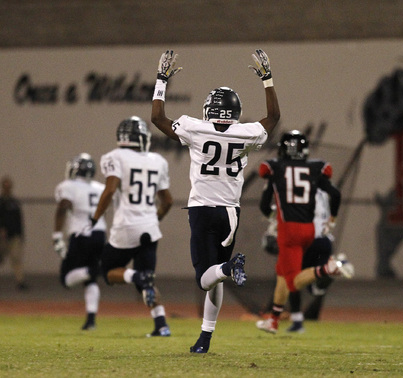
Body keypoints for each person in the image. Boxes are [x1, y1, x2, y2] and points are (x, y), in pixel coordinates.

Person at [150, 49, 281, 353]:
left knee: (207, 277)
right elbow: (273, 118)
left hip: (201, 209)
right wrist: (267, 79)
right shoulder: (246, 133)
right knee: (216, 276)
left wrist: (161, 80)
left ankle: (227, 269)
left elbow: (157, 118)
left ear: (210, 109)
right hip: (230, 214)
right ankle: (205, 339)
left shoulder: (195, 127)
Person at [255, 130, 354, 334]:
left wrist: (273, 216)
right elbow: (335, 193)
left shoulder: (275, 168)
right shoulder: (315, 168)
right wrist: (333, 217)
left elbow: (264, 206)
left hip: (289, 230)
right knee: (282, 274)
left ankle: (331, 268)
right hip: (308, 229)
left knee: (293, 281)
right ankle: (273, 320)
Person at [91, 116, 174, 337]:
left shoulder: (115, 156)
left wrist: (95, 217)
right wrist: (154, 218)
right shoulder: (158, 161)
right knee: (148, 280)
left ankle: (136, 277)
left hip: (126, 226)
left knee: (109, 272)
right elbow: (168, 201)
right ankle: (162, 325)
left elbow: (109, 191)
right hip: (150, 228)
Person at [261, 189, 338, 331]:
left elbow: (288, 207)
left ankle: (281, 319)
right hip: (324, 240)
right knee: (301, 280)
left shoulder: (297, 186)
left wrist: (274, 220)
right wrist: (332, 218)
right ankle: (293, 318)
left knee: (290, 278)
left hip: (304, 238)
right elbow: (336, 195)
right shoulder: (322, 189)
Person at [53, 153, 107, 330]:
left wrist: (57, 236)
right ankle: (91, 320)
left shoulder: (68, 186)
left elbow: (63, 206)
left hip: (81, 234)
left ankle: (98, 270)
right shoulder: (100, 188)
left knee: (66, 278)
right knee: (90, 281)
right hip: (99, 233)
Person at [0, 176, 27, 292]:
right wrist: (0, 230)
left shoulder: (15, 203)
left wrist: (20, 234)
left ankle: (20, 281)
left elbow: (19, 219)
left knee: (16, 259)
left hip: (14, 236)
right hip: (1, 237)